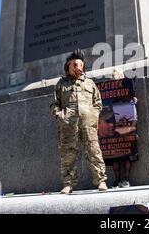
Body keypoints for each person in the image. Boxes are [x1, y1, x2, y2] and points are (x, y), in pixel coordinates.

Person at [50, 49, 108, 194]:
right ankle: (68, 184)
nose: (78, 68)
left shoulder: (89, 83)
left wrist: (93, 115)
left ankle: (101, 181)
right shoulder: (60, 84)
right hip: (68, 126)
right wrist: (61, 116)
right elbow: (54, 104)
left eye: (81, 65)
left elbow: (98, 102)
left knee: (94, 151)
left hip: (88, 125)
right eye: (75, 65)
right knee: (68, 155)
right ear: (68, 66)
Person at [109, 67, 138, 188]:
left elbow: (133, 100)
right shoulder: (109, 91)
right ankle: (117, 179)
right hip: (112, 123)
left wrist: (134, 101)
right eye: (113, 77)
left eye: (117, 76)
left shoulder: (127, 88)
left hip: (125, 123)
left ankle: (126, 179)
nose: (114, 79)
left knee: (127, 152)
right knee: (114, 155)